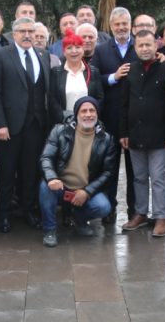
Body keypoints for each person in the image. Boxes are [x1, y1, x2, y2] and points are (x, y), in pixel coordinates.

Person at [0, 17, 52, 232]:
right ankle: (4, 215)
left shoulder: (43, 55)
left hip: (36, 126)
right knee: (7, 173)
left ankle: (29, 211)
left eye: (30, 31)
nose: (27, 35)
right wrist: (0, 124)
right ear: (13, 34)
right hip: (10, 127)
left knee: (30, 171)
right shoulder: (1, 56)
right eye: (22, 31)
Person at [119, 29, 165, 237]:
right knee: (139, 178)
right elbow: (124, 104)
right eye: (140, 45)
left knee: (159, 178)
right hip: (135, 135)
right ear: (135, 48)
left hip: (160, 136)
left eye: (148, 45)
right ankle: (140, 213)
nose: (145, 48)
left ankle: (161, 217)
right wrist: (123, 132)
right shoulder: (129, 70)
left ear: (156, 45)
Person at [38, 97, 115, 247]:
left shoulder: (106, 139)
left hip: (84, 189)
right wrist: (52, 178)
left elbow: (108, 172)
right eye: (84, 111)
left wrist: (87, 191)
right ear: (76, 114)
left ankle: (78, 219)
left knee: (104, 207)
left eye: (92, 110)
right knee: (45, 187)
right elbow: (46, 157)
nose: (88, 114)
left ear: (97, 114)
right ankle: (49, 230)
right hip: (61, 186)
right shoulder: (59, 131)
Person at [92, 6, 136, 221]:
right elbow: (93, 79)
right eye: (117, 24)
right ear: (111, 26)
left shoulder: (141, 46)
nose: (121, 28)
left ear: (130, 25)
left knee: (134, 170)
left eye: (124, 24)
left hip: (135, 120)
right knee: (109, 168)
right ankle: (109, 210)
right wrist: (113, 77)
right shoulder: (101, 50)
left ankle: (134, 212)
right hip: (109, 118)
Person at [49, 29, 104, 124]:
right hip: (63, 123)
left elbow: (100, 98)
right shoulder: (56, 72)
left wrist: (90, 115)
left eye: (77, 47)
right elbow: (52, 99)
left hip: (89, 122)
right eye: (69, 48)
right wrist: (63, 117)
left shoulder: (93, 71)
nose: (74, 51)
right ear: (64, 51)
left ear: (82, 50)